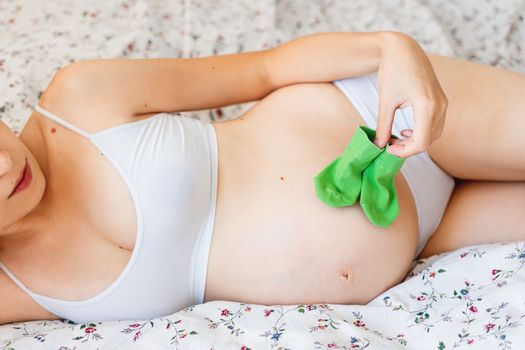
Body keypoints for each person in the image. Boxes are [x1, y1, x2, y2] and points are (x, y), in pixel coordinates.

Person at [0, 31, 524, 325]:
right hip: (432, 239)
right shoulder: (13, 287)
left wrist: (393, 51)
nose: (5, 167)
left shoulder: (78, 98)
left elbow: (267, 69)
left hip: (372, 110)